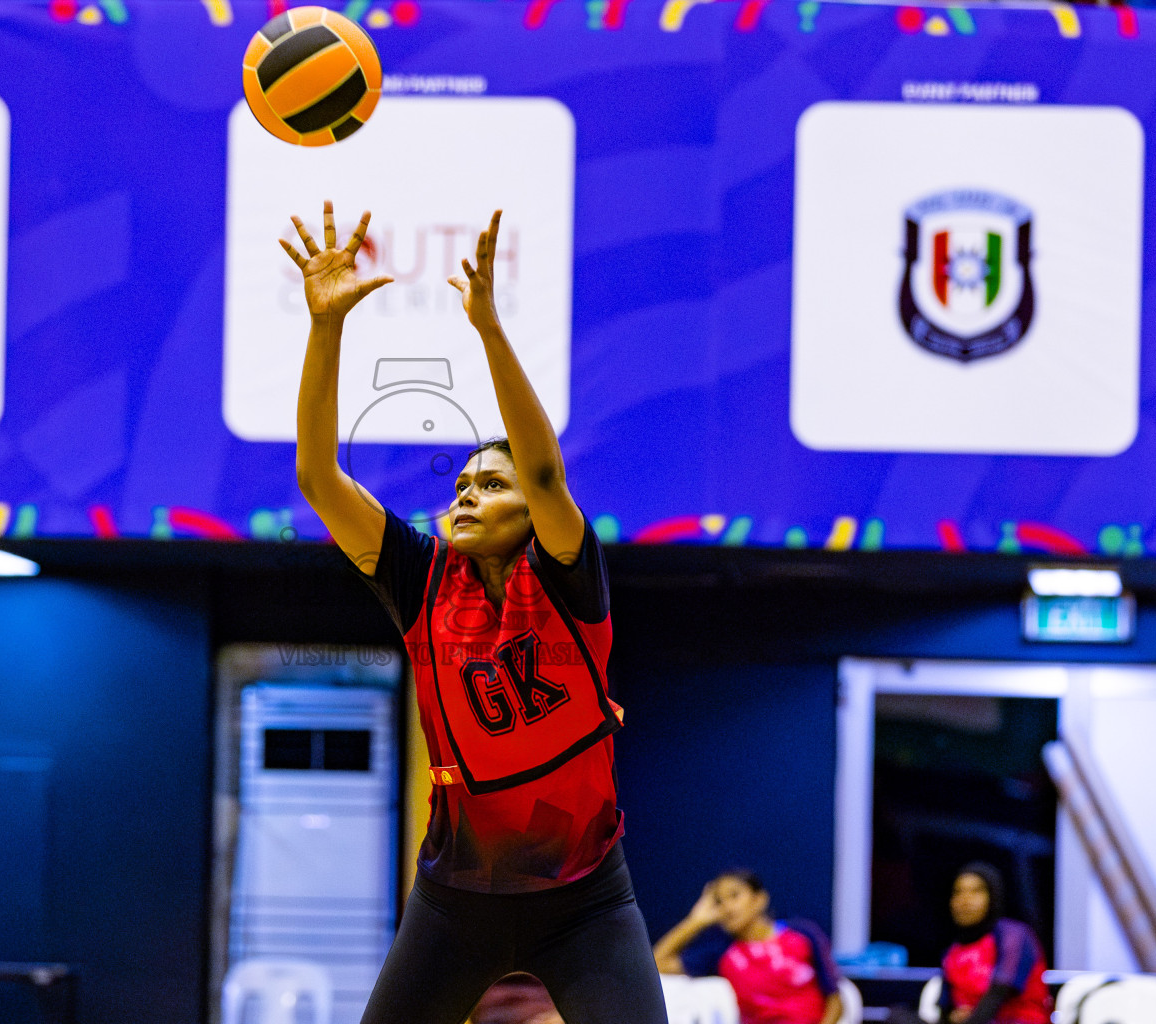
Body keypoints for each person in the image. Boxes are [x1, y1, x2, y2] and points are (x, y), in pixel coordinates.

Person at [285, 200, 667, 1024]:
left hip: (587, 899)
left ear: (529, 513)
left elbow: (545, 472)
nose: (465, 493)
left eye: (489, 485)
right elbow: (319, 477)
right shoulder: (421, 580)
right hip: (455, 899)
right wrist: (326, 328)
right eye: (458, 484)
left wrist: (488, 330)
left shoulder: (567, 583)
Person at [653, 870, 844, 1024]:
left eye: (734, 895)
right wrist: (696, 921)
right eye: (718, 902)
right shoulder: (722, 953)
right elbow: (656, 964)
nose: (727, 907)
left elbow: (835, 999)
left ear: (759, 899)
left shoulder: (802, 933)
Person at [937, 863, 1051, 1024]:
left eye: (976, 891)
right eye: (958, 892)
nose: (965, 900)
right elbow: (945, 1007)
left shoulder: (1013, 935)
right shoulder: (953, 951)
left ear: (993, 895)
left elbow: (999, 991)